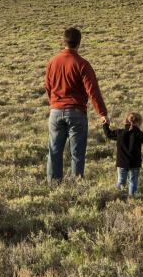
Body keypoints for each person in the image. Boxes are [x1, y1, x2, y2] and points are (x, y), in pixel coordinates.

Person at [44, 27, 109, 180]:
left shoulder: (52, 62)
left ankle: (53, 184)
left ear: (64, 41)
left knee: (54, 151)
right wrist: (102, 113)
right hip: (76, 112)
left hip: (55, 111)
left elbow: (48, 86)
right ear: (79, 43)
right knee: (77, 153)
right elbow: (92, 91)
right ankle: (76, 185)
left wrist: (54, 102)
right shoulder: (82, 64)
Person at [102, 112, 143, 196]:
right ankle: (132, 199)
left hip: (121, 163)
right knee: (133, 182)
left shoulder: (119, 132)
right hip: (134, 163)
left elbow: (108, 134)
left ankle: (115, 197)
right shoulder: (138, 133)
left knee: (121, 182)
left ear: (126, 121)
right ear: (138, 122)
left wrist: (105, 124)